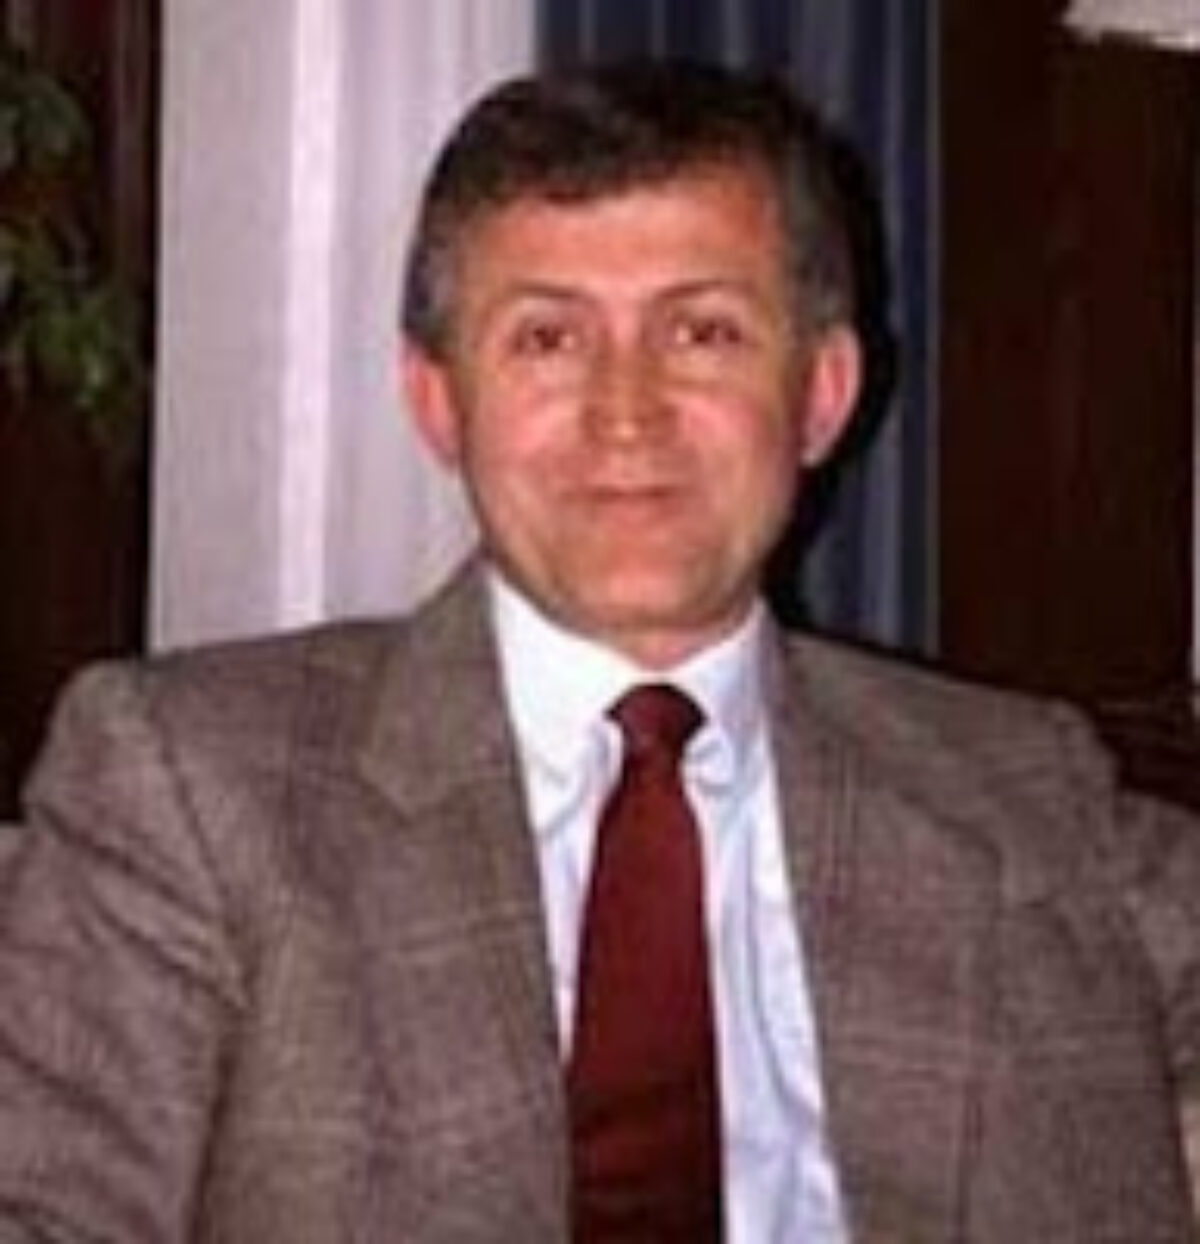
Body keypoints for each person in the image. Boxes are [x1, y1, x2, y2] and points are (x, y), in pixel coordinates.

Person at [1, 58, 1199, 1244]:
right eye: (547, 339)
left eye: (704, 332)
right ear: (438, 401)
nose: (627, 411)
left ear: (823, 393)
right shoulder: (188, 786)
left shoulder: (1034, 794)